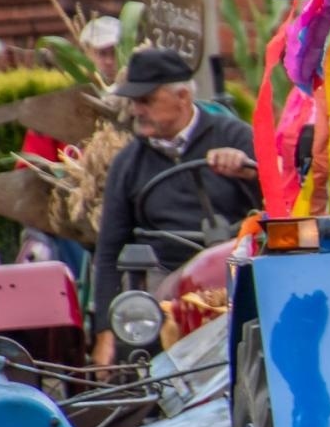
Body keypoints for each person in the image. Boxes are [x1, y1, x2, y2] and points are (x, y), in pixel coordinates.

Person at [91, 48, 261, 367]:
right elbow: (110, 250)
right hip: (165, 280)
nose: (137, 110)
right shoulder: (128, 163)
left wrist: (250, 174)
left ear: (182, 97)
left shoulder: (236, 138)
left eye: (146, 101)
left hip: (238, 270)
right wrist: (105, 331)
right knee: (140, 325)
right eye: (134, 101)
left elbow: (283, 208)